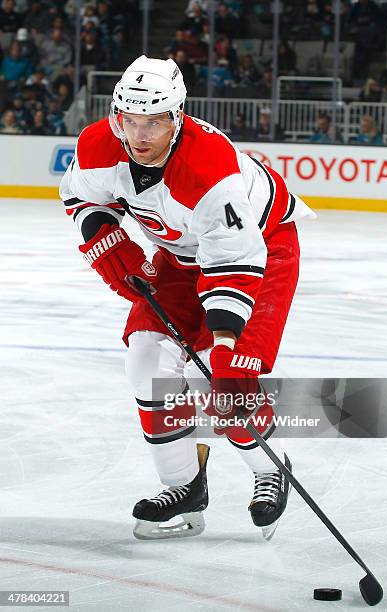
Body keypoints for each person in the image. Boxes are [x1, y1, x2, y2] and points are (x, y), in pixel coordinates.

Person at [60, 55, 314, 541]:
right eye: (128, 120)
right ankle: (183, 485)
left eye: (153, 122)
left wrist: (222, 346)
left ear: (177, 117)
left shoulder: (208, 169)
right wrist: (105, 238)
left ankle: (268, 468)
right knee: (146, 362)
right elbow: (80, 196)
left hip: (261, 249)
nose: (138, 136)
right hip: (180, 252)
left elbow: (232, 262)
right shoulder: (99, 144)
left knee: (225, 380)